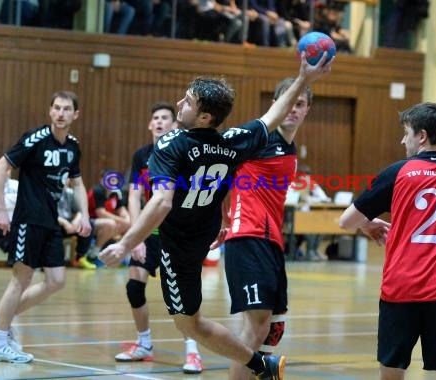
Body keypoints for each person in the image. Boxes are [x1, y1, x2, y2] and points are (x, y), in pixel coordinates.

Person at [99, 52, 332, 379]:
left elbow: (161, 203)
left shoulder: (171, 144)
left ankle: (259, 366)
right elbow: (273, 116)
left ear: (205, 116)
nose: (180, 104)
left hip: (177, 247)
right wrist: (305, 79)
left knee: (189, 324)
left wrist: (124, 245)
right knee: (194, 323)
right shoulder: (231, 143)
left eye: (189, 101)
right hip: (203, 239)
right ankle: (260, 364)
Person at [339, 102, 436, 380]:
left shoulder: (397, 172)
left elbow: (346, 221)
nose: (403, 140)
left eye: (406, 132)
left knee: (391, 370)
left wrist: (370, 226)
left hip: (400, 284)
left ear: (422, 136)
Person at [215, 76, 313, 380]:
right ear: (275, 104)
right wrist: (220, 220)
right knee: (256, 325)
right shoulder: (257, 138)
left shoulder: (290, 147)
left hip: (271, 242)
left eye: (300, 104)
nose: (293, 110)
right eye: (288, 102)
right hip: (248, 237)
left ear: (307, 109)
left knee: (273, 328)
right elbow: (217, 174)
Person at [0, 90, 92, 364]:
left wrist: (86, 216)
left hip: (51, 221)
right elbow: (0, 168)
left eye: (66, 109)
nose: (60, 113)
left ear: (75, 114)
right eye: (56, 108)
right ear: (50, 111)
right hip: (28, 219)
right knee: (21, 279)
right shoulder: (35, 139)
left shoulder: (72, 146)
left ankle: (1, 320)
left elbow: (77, 182)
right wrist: (0, 210)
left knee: (56, 280)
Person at [116, 101, 203, 374]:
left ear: (175, 123)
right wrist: (135, 236)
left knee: (180, 296)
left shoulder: (184, 152)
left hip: (176, 233)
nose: (160, 122)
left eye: (165, 117)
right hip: (149, 232)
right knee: (134, 286)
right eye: (155, 118)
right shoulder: (141, 156)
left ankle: (192, 351)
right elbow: (133, 197)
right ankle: (144, 345)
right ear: (150, 124)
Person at [57, 185, 116, 269]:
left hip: (70, 224)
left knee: (87, 225)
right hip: (56, 223)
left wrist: (75, 221)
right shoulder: (49, 192)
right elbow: (47, 213)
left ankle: (80, 258)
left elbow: (79, 211)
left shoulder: (70, 192)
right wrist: (65, 223)